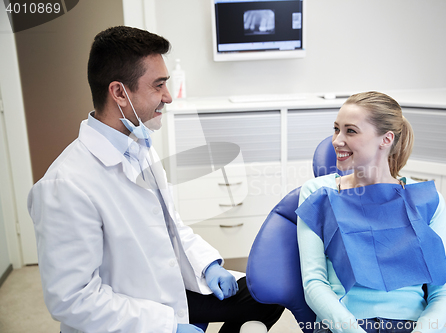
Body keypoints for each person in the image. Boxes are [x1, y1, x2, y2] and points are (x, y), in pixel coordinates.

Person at [27, 26, 283, 333]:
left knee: (272, 293)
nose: (168, 97)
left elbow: (171, 227)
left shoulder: (138, 145)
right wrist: (167, 327)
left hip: (167, 289)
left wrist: (207, 264)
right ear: (119, 92)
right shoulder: (65, 185)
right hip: (130, 315)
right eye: (158, 85)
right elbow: (72, 300)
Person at [295, 91, 446, 333]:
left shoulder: (425, 200)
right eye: (336, 129)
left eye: (350, 131)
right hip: (344, 326)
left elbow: (445, 293)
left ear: (386, 139)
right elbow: (314, 284)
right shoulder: (319, 193)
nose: (337, 140)